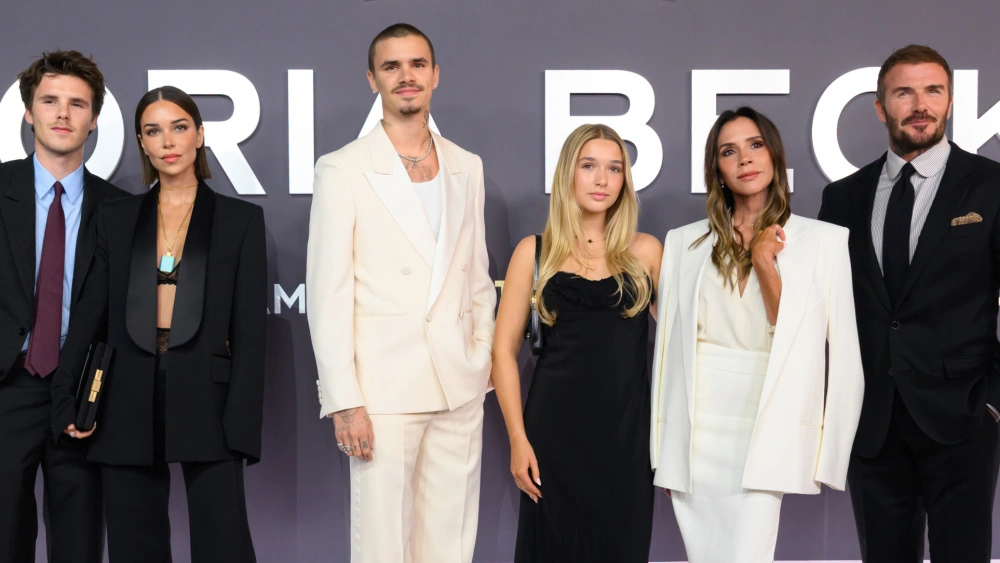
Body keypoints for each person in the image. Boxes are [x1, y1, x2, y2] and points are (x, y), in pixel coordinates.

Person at [50, 86, 267, 563]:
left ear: (199, 135)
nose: (167, 141)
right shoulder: (116, 218)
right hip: (126, 394)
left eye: (179, 127)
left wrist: (242, 426)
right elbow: (90, 316)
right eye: (153, 131)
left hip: (208, 396)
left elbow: (251, 335)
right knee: (134, 544)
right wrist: (65, 395)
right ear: (142, 143)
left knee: (224, 542)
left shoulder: (240, 220)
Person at [306, 23, 496, 563]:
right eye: (391, 66)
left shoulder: (467, 166)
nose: (406, 76)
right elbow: (327, 293)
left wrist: (480, 356)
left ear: (435, 75)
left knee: (452, 544)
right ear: (373, 79)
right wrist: (345, 400)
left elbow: (477, 277)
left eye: (417, 64)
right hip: (382, 394)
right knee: (383, 545)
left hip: (458, 387)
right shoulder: (342, 168)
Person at [652, 106, 864, 563]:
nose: (745, 158)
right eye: (729, 151)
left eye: (755, 145)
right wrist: (663, 451)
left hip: (767, 425)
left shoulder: (824, 241)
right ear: (717, 170)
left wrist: (766, 262)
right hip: (695, 430)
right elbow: (667, 356)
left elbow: (841, 355)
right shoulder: (683, 242)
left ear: (774, 156)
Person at [818, 44, 1000, 562]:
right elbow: (827, 307)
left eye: (933, 91)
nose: (920, 105)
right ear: (881, 107)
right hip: (873, 422)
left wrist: (993, 399)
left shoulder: (992, 186)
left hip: (963, 417)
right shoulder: (843, 197)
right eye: (904, 93)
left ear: (950, 102)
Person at [492, 123, 661, 562]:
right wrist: (518, 440)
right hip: (552, 439)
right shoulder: (534, 252)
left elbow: (683, 340)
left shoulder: (646, 252)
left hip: (627, 442)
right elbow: (503, 352)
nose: (602, 179)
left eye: (614, 168)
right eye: (589, 166)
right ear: (568, 172)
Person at [0, 50, 126, 563]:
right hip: (7, 386)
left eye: (78, 104)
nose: (62, 114)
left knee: (79, 543)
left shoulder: (120, 209)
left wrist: (93, 391)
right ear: (28, 112)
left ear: (94, 120)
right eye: (50, 101)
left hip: (80, 396)